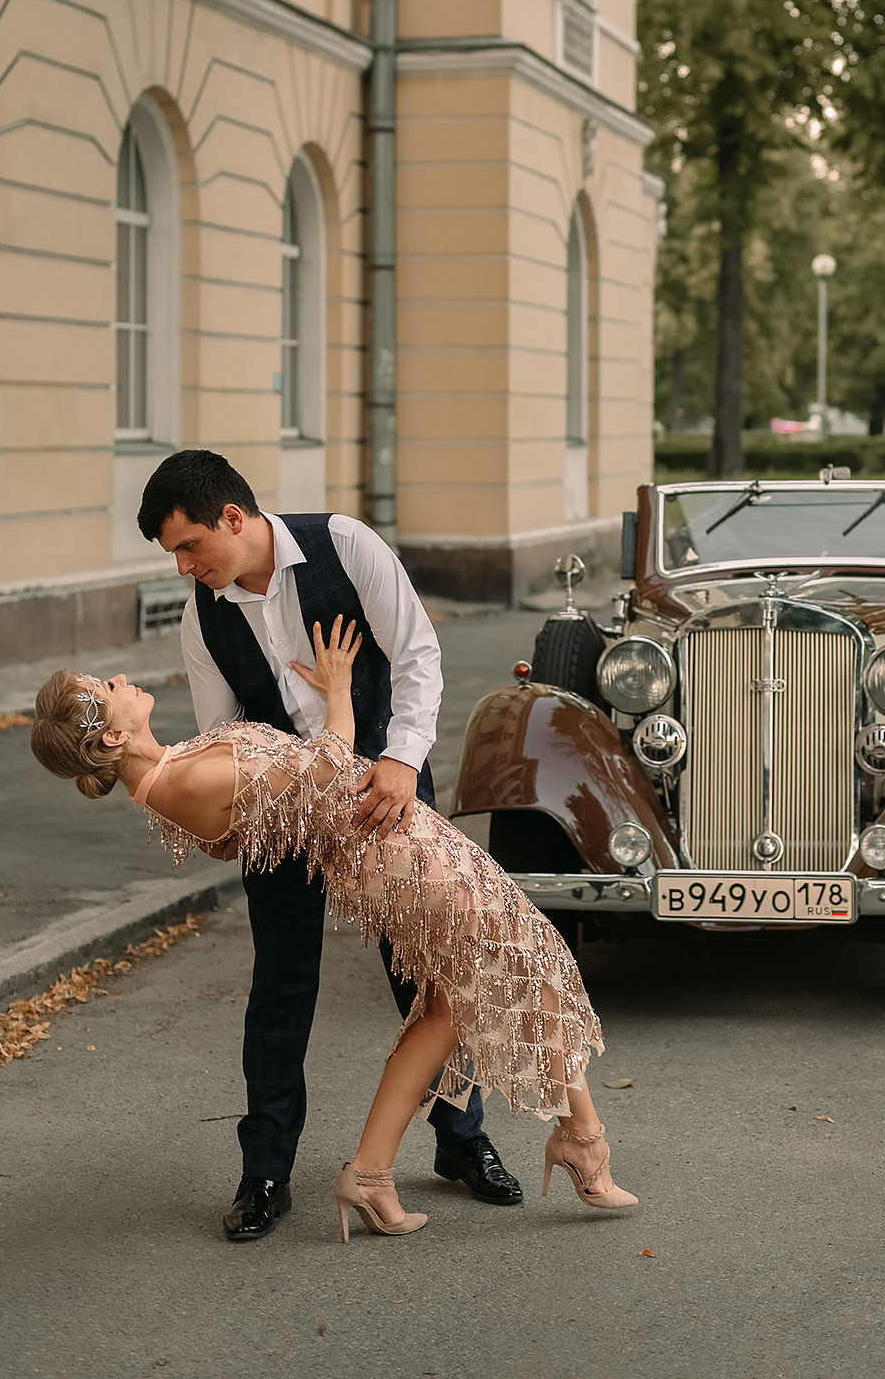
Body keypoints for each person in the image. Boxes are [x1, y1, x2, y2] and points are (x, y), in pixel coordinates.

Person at [29, 623, 636, 1237]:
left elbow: (253, 825)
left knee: (457, 1001)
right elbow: (330, 767)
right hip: (394, 854)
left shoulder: (164, 772)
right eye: (110, 686)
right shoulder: (183, 781)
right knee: (523, 961)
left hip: (388, 841)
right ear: (112, 734)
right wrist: (338, 690)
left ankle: (381, 1173)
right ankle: (580, 1143)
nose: (125, 680)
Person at [132, 449, 520, 1241]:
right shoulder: (202, 618)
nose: (183, 567)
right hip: (285, 820)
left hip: (387, 789)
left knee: (428, 975)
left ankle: (462, 1139)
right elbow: (222, 738)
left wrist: (403, 759)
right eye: (172, 554)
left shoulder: (346, 545)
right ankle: (265, 1172)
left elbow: (418, 656)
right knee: (281, 986)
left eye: (189, 546)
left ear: (233, 519)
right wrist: (222, 820)